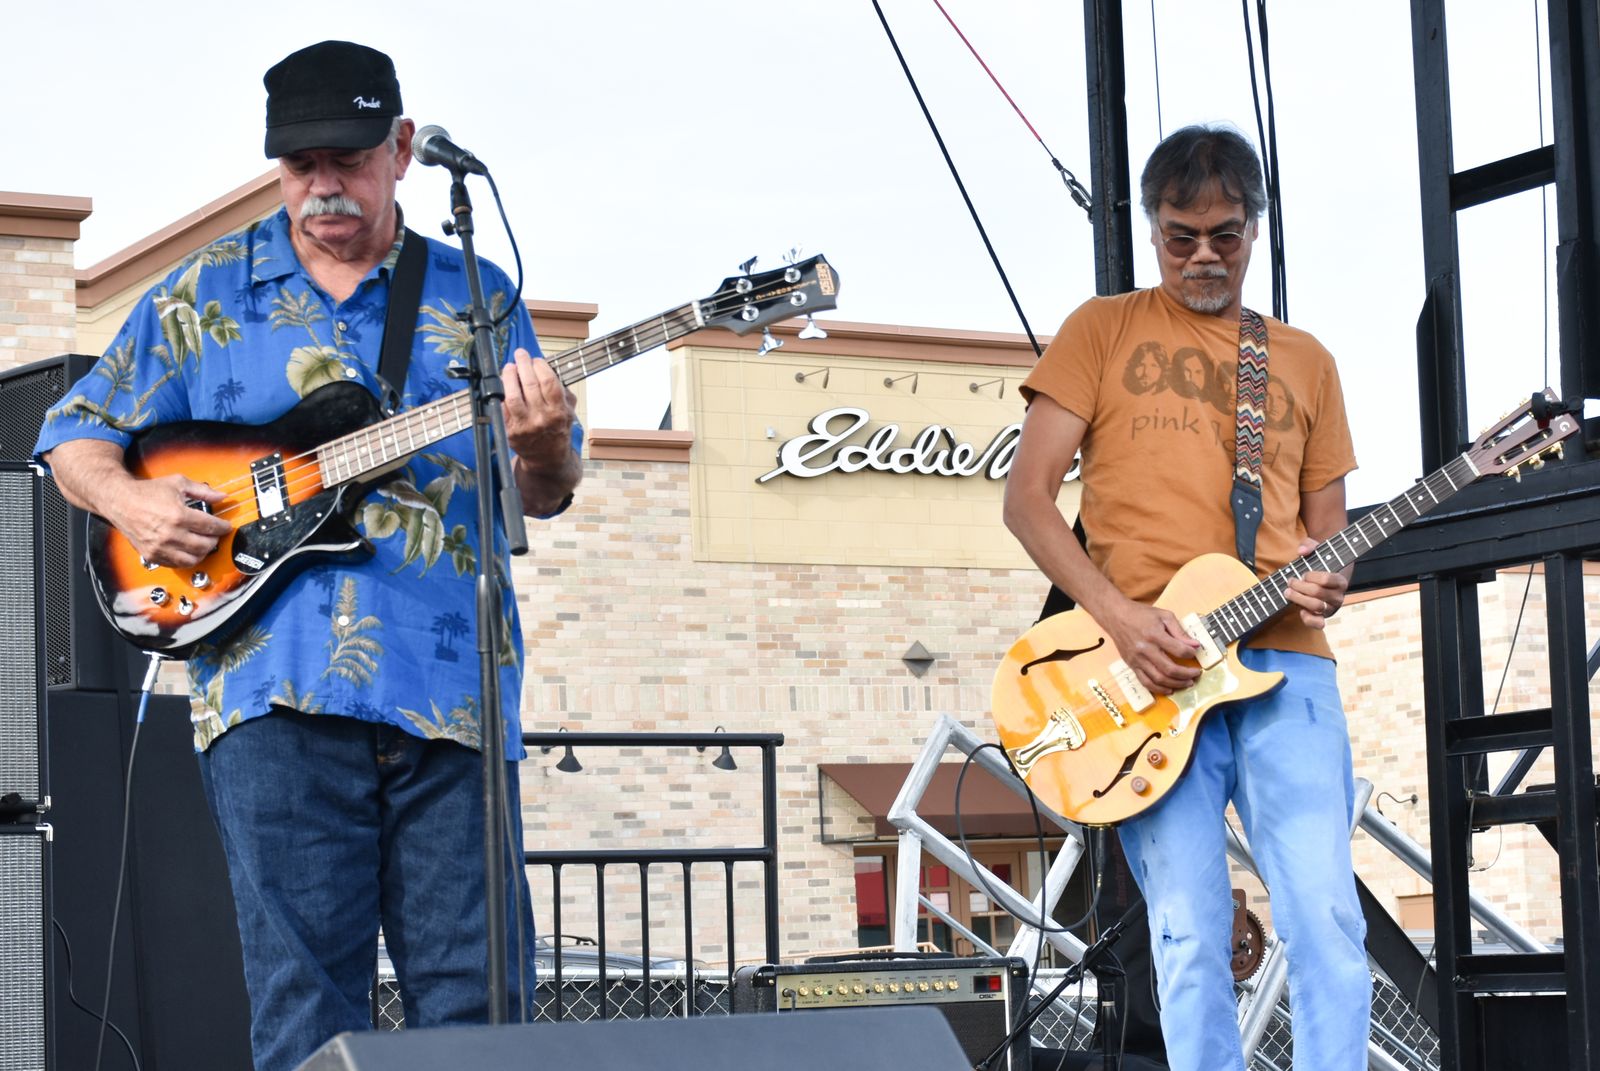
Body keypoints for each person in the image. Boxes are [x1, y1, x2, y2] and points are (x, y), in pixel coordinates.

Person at [34, 41, 582, 1071]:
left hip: (453, 695)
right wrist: (133, 501)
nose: (324, 184)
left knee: (483, 1013)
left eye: (349, 159)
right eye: (300, 165)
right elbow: (71, 435)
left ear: (402, 149)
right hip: (272, 697)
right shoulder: (206, 291)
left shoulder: (478, 293)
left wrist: (546, 442)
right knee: (305, 1016)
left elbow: (545, 491)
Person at [1002, 124, 1370, 1070]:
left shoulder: (1305, 359)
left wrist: (1330, 579)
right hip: (1148, 671)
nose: (1203, 255)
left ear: (1255, 230)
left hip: (1287, 665)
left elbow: (1327, 537)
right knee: (1190, 933)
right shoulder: (1101, 330)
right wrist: (1122, 621)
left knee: (1326, 916)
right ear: (1153, 229)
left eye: (1224, 235)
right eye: (1180, 236)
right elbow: (1027, 500)